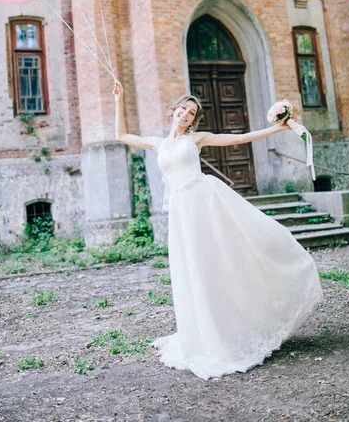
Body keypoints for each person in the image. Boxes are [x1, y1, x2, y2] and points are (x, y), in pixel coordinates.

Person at [113, 81, 323, 380]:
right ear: (174, 111)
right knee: (193, 270)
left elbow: (239, 138)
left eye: (191, 113)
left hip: (204, 206)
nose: (185, 115)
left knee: (223, 259)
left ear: (194, 120)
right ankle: (206, 331)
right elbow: (121, 135)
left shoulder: (197, 139)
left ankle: (242, 321)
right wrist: (120, 100)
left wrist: (280, 128)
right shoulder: (158, 143)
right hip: (181, 215)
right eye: (183, 109)